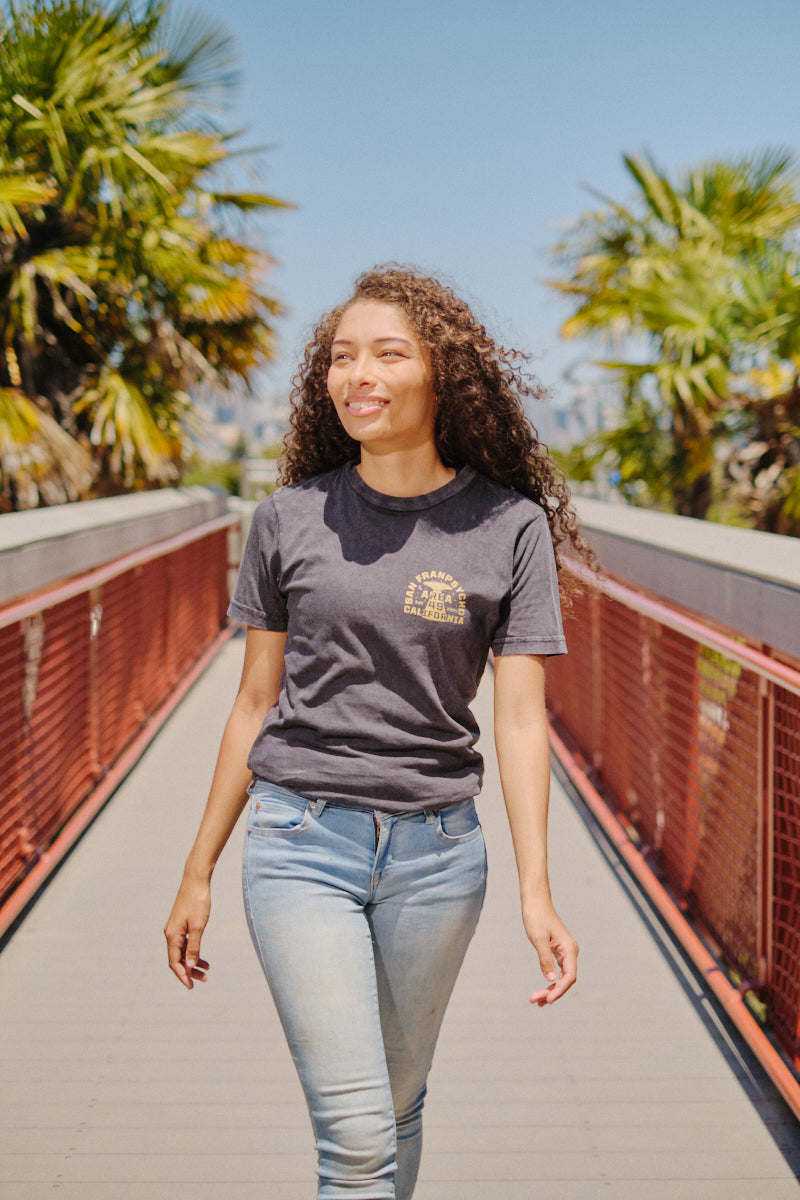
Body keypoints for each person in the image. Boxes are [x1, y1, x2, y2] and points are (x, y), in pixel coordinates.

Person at [164, 264, 587, 1200]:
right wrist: (197, 870)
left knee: (395, 1106)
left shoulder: (509, 528)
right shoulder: (287, 518)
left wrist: (537, 891)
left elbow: (520, 720)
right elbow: (251, 703)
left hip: (439, 854)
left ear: (446, 377)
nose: (360, 373)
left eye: (388, 353)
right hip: (298, 841)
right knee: (356, 1139)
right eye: (342, 356)